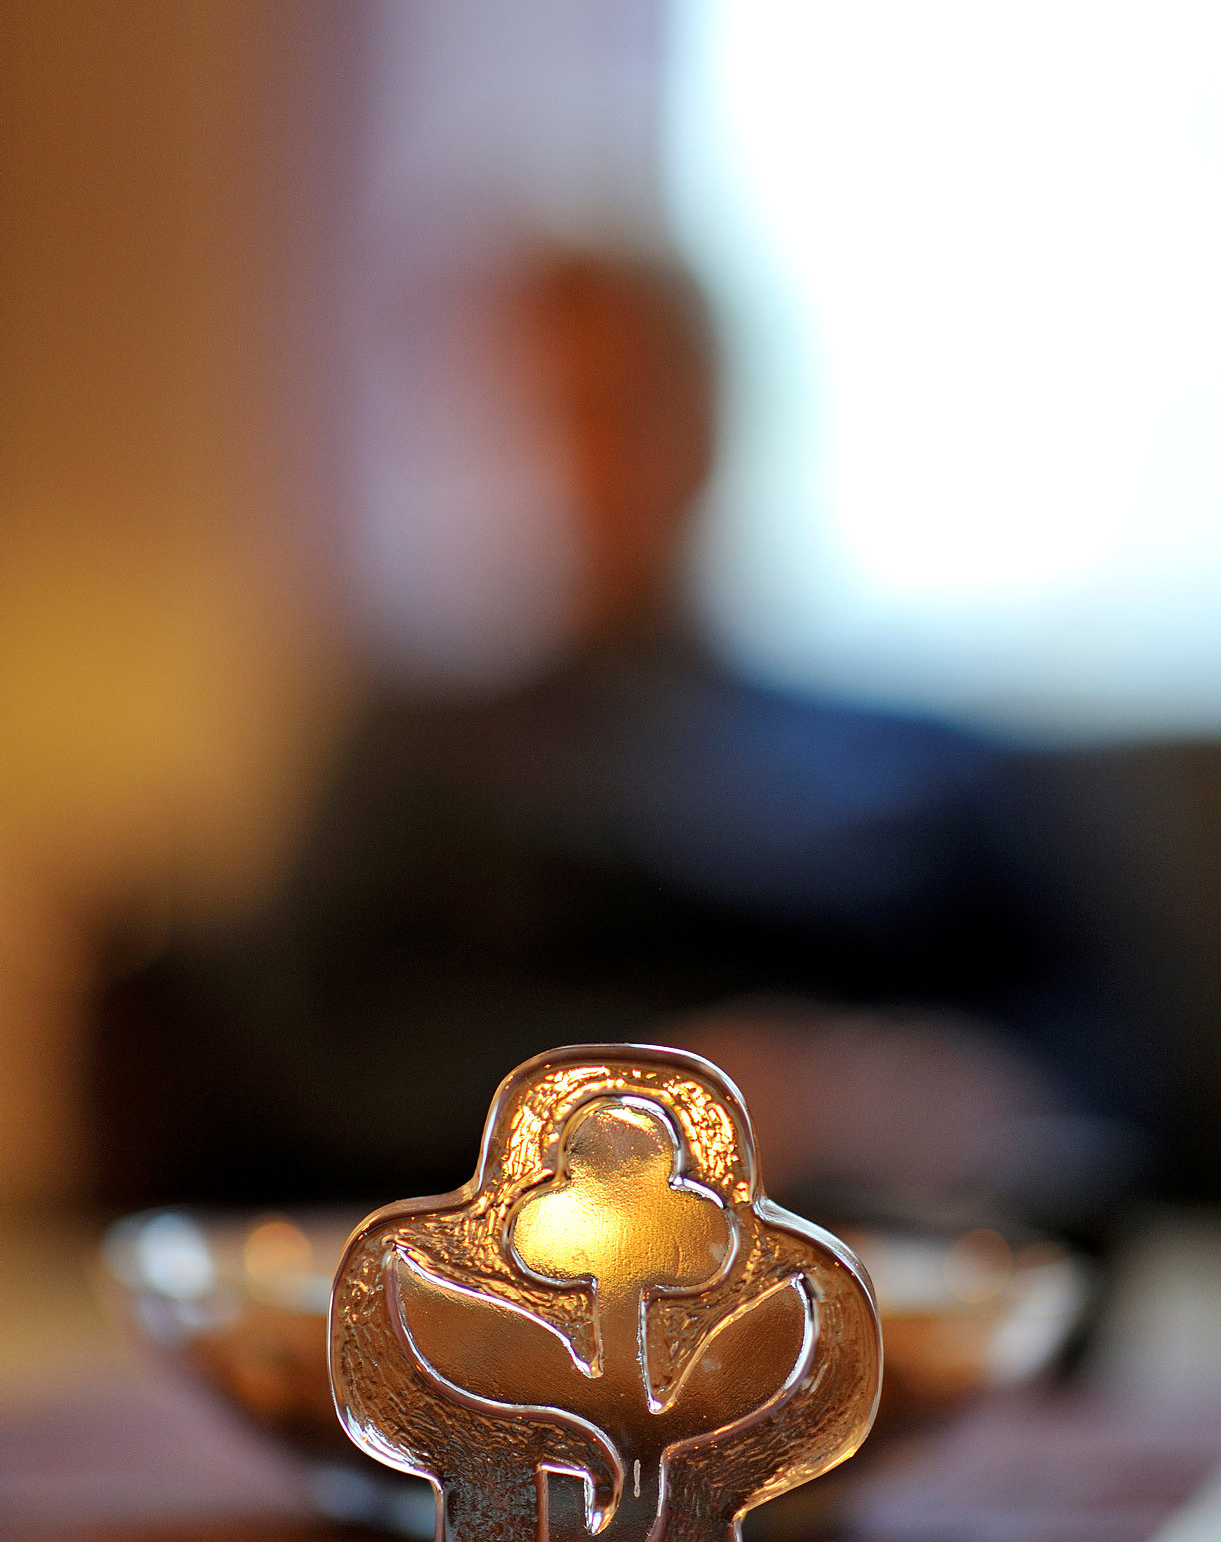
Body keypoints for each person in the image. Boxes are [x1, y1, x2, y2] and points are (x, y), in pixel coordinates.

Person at [90, 247, 1152, 1232]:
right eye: (561, 413)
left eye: (635, 407)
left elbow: (1129, 1053)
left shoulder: (929, 757)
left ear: (715, 420)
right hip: (535, 1262)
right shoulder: (420, 751)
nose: (598, 458)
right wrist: (651, 1092)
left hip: (886, 1242)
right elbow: (312, 1054)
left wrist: (921, 1088)